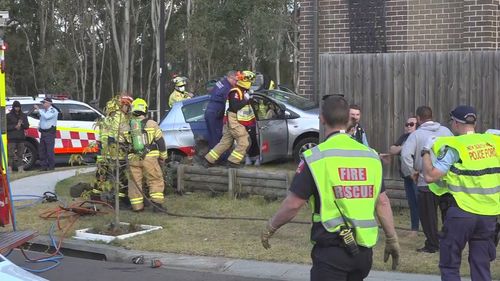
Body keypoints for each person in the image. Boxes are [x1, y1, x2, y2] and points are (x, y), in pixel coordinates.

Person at [261, 95, 400, 281]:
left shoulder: (315, 157)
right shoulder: (371, 157)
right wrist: (392, 239)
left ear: (322, 119)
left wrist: (271, 226)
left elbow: (294, 204)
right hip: (363, 254)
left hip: (332, 252)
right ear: (348, 119)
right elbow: (382, 202)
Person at [421, 105, 499, 281]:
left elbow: (430, 176)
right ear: (475, 123)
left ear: (455, 124)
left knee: (450, 263)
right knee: (481, 264)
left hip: (462, 213)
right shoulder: (492, 143)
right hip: (488, 215)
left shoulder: (455, 147)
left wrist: (425, 152)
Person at [401, 106, 453, 253]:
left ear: (418, 119)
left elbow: (405, 155)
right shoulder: (446, 132)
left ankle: (432, 244)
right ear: (432, 116)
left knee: (428, 216)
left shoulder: (416, 135)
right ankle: (448, 242)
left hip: (426, 181)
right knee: (447, 214)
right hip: (445, 180)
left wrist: (412, 172)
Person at [202, 71, 255, 168]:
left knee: (225, 142)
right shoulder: (235, 91)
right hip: (231, 120)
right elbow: (234, 107)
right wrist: (246, 99)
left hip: (226, 119)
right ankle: (233, 162)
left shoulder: (227, 86)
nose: (236, 81)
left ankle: (208, 159)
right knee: (244, 142)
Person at [91, 95, 133, 207]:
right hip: (118, 153)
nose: (128, 109)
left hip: (104, 153)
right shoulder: (121, 118)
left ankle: (95, 196)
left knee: (101, 175)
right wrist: (132, 143)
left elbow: (101, 138)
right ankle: (119, 200)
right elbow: (126, 135)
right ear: (122, 106)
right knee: (121, 176)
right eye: (127, 106)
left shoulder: (106, 119)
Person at [128, 98, 168, 212]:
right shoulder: (152, 124)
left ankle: (137, 207)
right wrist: (163, 157)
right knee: (155, 179)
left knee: (134, 183)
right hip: (149, 158)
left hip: (133, 159)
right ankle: (157, 206)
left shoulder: (127, 125)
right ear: (145, 110)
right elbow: (160, 141)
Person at [388, 116, 419, 237]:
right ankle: (414, 230)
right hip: (406, 176)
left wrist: (403, 148)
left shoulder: (419, 137)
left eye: (412, 124)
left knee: (420, 203)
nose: (408, 126)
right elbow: (392, 149)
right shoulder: (404, 137)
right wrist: (404, 146)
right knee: (412, 203)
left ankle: (428, 230)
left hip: (417, 175)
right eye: (407, 124)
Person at [204, 71, 238, 149]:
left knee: (213, 136)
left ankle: (213, 157)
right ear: (230, 78)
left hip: (210, 110)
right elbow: (229, 102)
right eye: (235, 80)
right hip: (216, 113)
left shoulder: (221, 83)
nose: (236, 82)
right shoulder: (227, 87)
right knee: (217, 137)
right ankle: (218, 158)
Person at [34, 98, 58, 171]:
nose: (43, 104)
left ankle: (51, 166)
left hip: (50, 133)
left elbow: (47, 117)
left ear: (49, 103)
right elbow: (42, 120)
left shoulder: (53, 110)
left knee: (49, 151)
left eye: (44, 102)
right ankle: (43, 166)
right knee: (42, 150)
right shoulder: (43, 111)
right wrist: (39, 126)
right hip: (43, 132)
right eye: (43, 103)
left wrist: (38, 110)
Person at [6, 100, 29, 173]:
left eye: (18, 107)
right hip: (12, 138)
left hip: (21, 138)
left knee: (20, 154)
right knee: (10, 154)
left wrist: (22, 124)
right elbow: (6, 127)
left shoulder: (23, 115)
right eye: (16, 107)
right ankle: (10, 168)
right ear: (13, 107)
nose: (17, 109)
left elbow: (27, 126)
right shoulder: (8, 116)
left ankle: (20, 169)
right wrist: (14, 127)